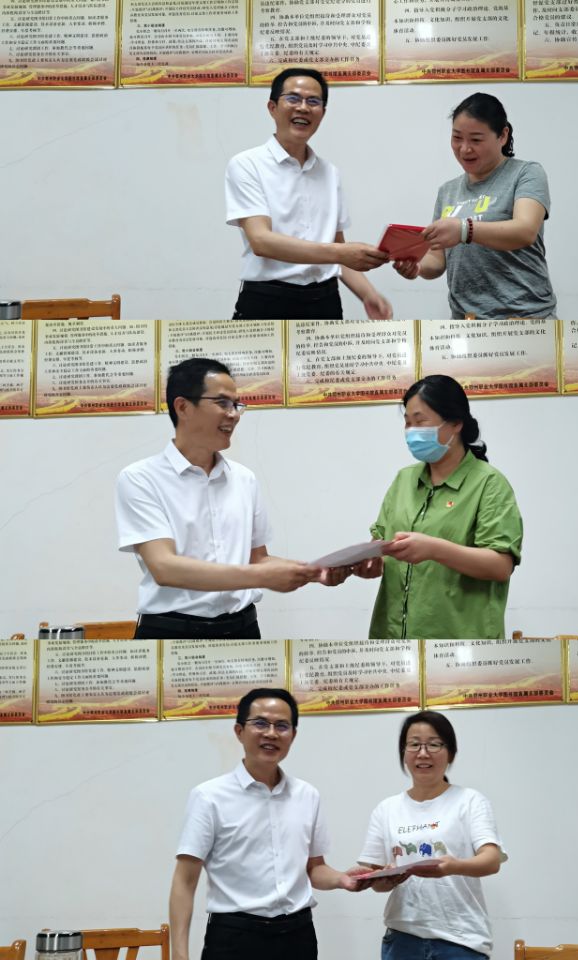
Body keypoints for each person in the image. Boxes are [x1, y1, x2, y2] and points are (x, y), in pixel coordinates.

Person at [115, 357, 339, 640]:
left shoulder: (244, 479)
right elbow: (164, 567)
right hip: (171, 634)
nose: (233, 415)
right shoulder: (140, 478)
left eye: (236, 404)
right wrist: (262, 577)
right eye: (222, 403)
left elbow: (258, 560)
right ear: (183, 407)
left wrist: (313, 572)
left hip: (243, 630)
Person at [169, 688, 358, 960]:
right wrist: (179, 955)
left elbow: (315, 868)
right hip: (235, 938)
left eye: (282, 726)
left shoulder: (307, 795)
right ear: (239, 731)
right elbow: (185, 881)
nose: (271, 733)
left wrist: (343, 879)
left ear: (293, 735)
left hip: (298, 936)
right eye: (260, 723)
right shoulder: (209, 796)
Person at [354, 375, 523, 639]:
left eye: (420, 421)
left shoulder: (489, 484)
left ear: (455, 423)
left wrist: (434, 549)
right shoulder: (404, 480)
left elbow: (500, 566)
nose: (411, 431)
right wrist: (372, 561)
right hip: (394, 640)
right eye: (407, 423)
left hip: (458, 644)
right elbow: (381, 542)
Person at [225, 67, 392, 320]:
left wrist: (368, 294)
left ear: (323, 113)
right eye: (293, 98)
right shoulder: (247, 164)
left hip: (325, 300)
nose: (303, 108)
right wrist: (341, 253)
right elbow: (261, 241)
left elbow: (337, 245)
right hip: (267, 300)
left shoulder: (329, 172)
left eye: (313, 102)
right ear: (272, 107)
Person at [355, 710, 506, 960]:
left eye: (434, 744)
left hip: (460, 940)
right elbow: (376, 880)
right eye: (414, 744)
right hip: (402, 939)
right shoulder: (387, 809)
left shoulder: (470, 801)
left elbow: (491, 861)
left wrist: (454, 866)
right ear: (404, 753)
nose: (423, 753)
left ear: (451, 753)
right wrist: (384, 880)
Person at [394, 92, 556, 320]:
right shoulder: (448, 191)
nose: (464, 149)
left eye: (476, 140)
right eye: (457, 138)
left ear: (502, 135)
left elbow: (525, 230)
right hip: (466, 321)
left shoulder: (526, 173)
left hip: (524, 318)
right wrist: (417, 266)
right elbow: (437, 258)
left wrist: (464, 230)